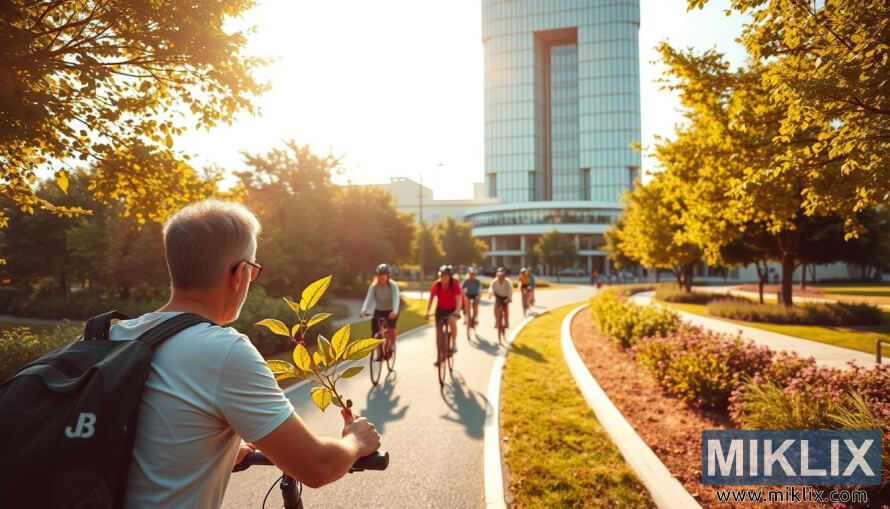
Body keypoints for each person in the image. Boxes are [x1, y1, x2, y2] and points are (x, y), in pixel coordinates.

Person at [109, 199, 380, 507]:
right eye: (253, 271)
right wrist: (357, 440)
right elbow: (315, 466)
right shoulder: (223, 350)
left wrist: (207, 445)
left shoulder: (111, 335)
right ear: (239, 273)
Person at [359, 263, 399, 358]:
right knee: (375, 331)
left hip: (391, 310)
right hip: (379, 310)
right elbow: (368, 299)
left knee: (391, 327)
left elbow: (396, 298)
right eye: (380, 274)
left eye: (384, 274)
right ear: (377, 275)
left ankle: (392, 344)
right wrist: (364, 310)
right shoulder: (374, 286)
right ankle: (379, 353)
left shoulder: (393, 286)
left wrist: (395, 311)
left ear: (388, 275)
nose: (382, 277)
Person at [424, 265, 463, 357]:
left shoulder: (454, 285)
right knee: (438, 333)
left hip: (452, 310)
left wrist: (457, 311)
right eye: (442, 276)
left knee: (452, 322)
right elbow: (430, 299)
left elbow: (458, 300)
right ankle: (439, 355)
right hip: (440, 309)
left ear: (450, 276)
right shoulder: (436, 285)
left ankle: (454, 343)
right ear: (440, 276)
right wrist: (427, 311)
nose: (444, 278)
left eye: (447, 276)